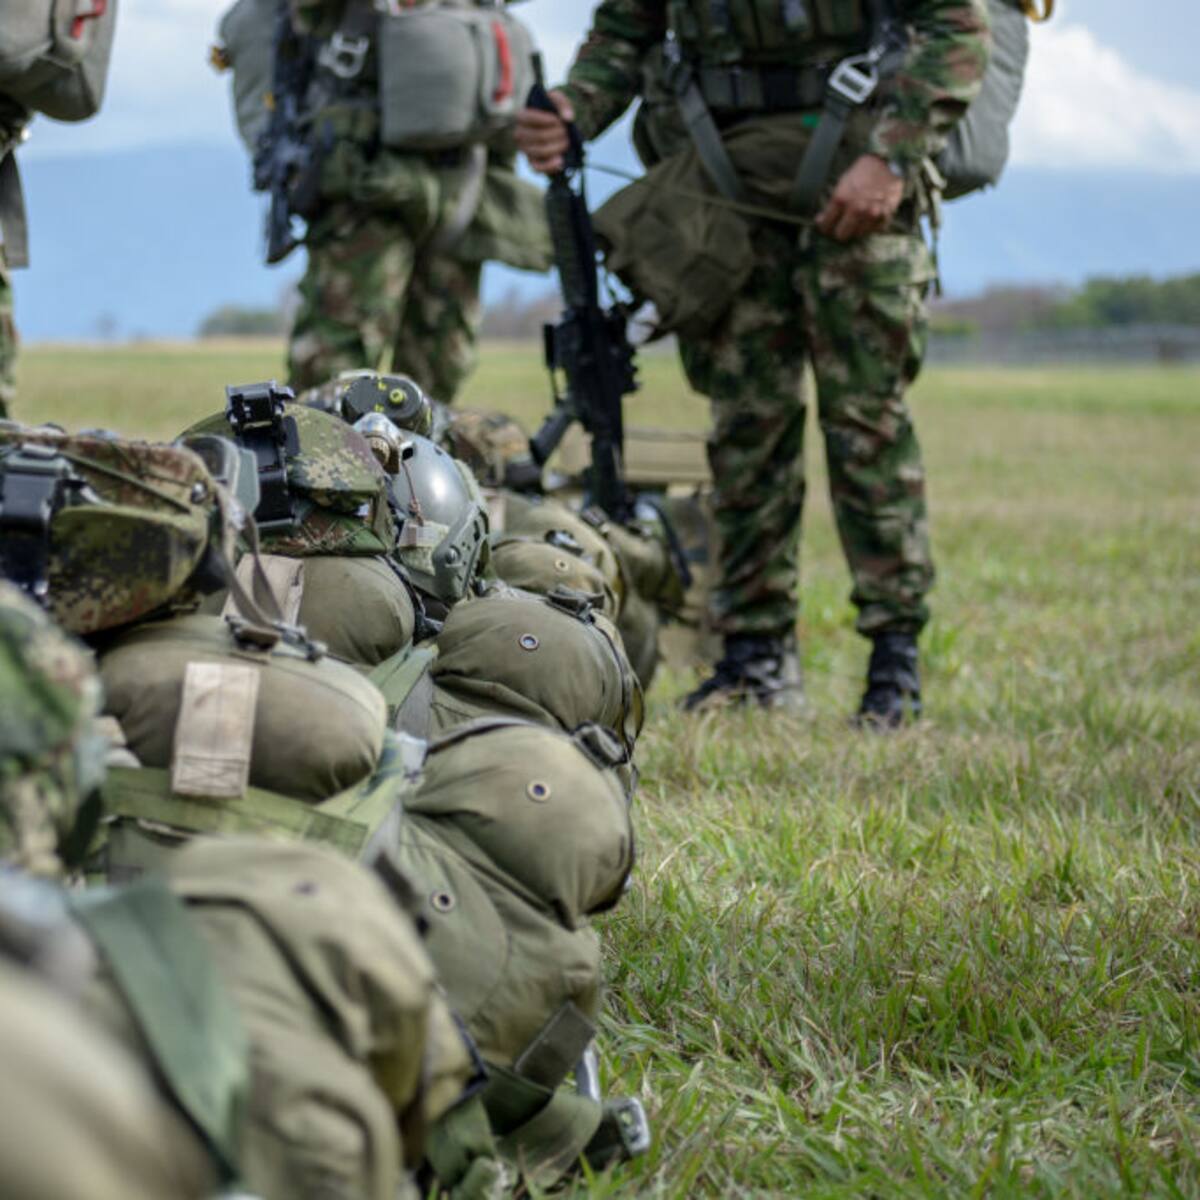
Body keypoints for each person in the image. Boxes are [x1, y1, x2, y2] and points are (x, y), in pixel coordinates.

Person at [515, 0, 991, 724]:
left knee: (867, 427)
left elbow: (955, 26)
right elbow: (626, 29)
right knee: (746, 429)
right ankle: (755, 662)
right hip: (725, 189)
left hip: (857, 182)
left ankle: (894, 663)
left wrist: (891, 157)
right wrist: (572, 108)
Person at [249, 0, 552, 400]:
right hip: (365, 180)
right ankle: (322, 460)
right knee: (334, 370)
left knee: (440, 366)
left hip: (461, 174)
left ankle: (419, 457)